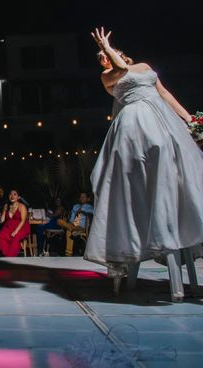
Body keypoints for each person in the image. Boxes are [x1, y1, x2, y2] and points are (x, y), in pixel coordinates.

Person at [85, 27, 203, 280]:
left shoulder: (145, 66)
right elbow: (122, 71)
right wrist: (106, 48)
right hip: (135, 121)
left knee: (178, 167)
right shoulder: (109, 76)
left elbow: (164, 94)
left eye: (106, 54)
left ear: (119, 52)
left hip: (160, 116)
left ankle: (180, 226)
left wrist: (190, 120)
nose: (104, 58)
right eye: (101, 57)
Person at [57, 192, 93, 256]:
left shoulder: (89, 207)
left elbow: (91, 214)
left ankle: (68, 253)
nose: (82, 198)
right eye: (81, 197)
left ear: (88, 199)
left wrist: (81, 211)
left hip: (82, 227)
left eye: (84, 197)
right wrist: (70, 223)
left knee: (68, 231)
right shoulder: (76, 206)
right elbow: (72, 218)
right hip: (73, 225)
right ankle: (68, 253)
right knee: (59, 221)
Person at [0, 190, 30, 257]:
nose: (12, 196)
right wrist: (4, 210)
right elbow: (2, 220)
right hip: (9, 227)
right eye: (10, 194)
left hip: (21, 227)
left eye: (14, 194)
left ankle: (10, 257)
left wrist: (15, 231)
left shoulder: (22, 206)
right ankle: (6, 255)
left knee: (16, 237)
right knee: (1, 235)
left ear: (18, 197)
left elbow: (23, 220)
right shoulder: (7, 206)